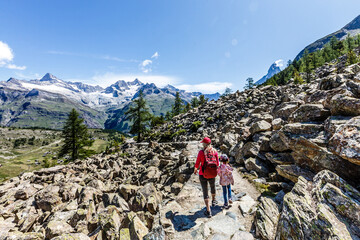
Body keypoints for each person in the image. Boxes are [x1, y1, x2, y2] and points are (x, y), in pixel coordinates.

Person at [194, 137, 219, 218]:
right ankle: (214, 200)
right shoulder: (214, 151)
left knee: (205, 191)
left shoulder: (201, 152)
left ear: (204, 144)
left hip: (202, 174)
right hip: (212, 173)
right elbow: (217, 164)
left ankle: (208, 211)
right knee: (213, 186)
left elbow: (197, 162)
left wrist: (195, 169)